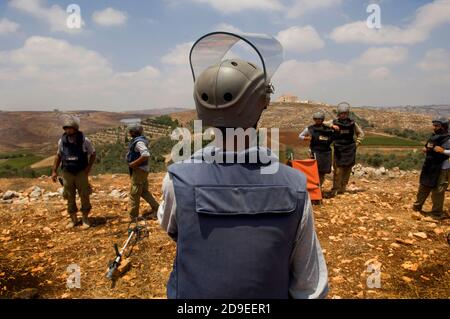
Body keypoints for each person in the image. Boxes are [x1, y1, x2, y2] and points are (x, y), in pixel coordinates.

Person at [158, 33, 328, 299]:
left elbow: (173, 229)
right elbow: (310, 287)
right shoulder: (294, 185)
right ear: (262, 105)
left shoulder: (176, 181)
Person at [51, 115, 96, 229]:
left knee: (84, 194)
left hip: (81, 171)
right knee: (69, 195)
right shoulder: (62, 141)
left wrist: (89, 167)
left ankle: (85, 218)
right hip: (67, 172)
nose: (67, 130)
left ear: (75, 128)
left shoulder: (84, 140)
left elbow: (93, 153)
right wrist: (54, 171)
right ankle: (73, 219)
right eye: (66, 128)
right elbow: (58, 155)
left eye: (70, 128)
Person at [413, 117, 450, 219]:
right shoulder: (434, 136)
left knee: (438, 190)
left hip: (443, 167)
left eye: (437, 126)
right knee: (424, 185)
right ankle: (417, 207)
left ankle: (436, 213)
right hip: (430, 166)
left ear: (443, 127)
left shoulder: (448, 138)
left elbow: (444, 151)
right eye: (434, 125)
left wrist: (443, 151)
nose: (434, 127)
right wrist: (425, 149)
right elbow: (429, 146)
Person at [326, 102, 364, 196]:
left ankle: (343, 188)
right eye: (342, 113)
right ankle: (335, 188)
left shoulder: (352, 123)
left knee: (347, 169)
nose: (344, 115)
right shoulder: (334, 122)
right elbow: (322, 123)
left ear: (348, 113)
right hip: (339, 149)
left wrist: (357, 143)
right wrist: (331, 126)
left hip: (350, 149)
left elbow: (361, 133)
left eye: (345, 113)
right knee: (338, 170)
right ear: (339, 114)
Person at [126, 124, 159, 220]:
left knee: (134, 193)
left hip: (139, 170)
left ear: (133, 132)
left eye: (130, 131)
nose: (129, 133)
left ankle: (133, 217)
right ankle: (158, 209)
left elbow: (145, 154)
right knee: (144, 191)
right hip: (143, 170)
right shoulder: (140, 140)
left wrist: (134, 164)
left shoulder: (138, 142)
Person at [299, 111, 334, 188]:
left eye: (320, 119)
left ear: (323, 119)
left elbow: (334, 137)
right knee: (314, 170)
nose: (318, 120)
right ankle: (313, 187)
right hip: (314, 151)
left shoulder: (328, 129)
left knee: (323, 171)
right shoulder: (310, 128)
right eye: (316, 119)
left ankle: (319, 187)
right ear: (314, 119)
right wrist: (306, 138)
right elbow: (300, 136)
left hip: (325, 153)